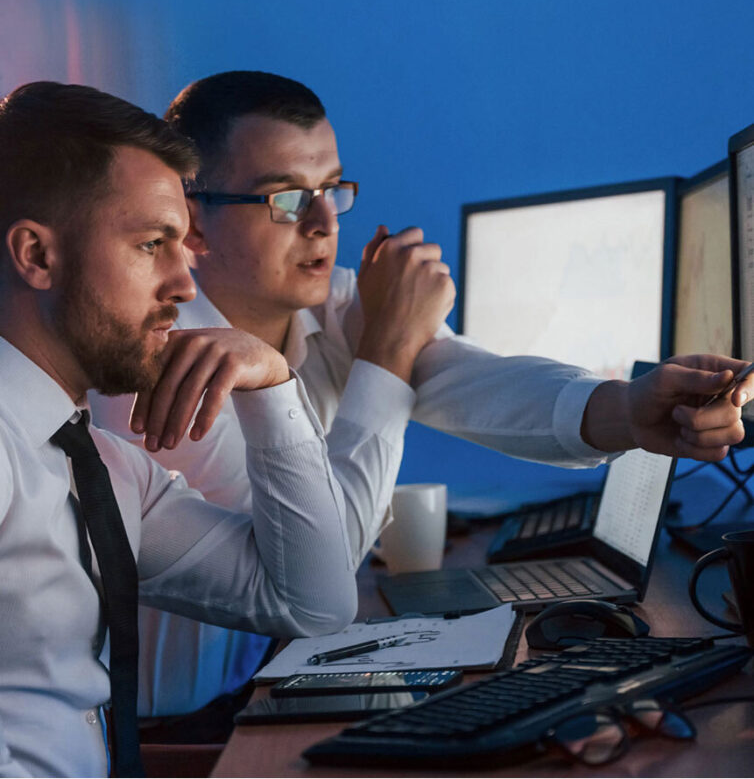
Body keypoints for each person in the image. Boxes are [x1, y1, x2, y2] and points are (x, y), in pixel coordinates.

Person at [92, 70, 750, 727]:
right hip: (178, 736)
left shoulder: (339, 303)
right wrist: (387, 348)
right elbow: (317, 577)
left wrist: (632, 409)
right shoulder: (164, 363)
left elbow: (474, 382)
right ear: (193, 221)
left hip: (261, 680)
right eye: (287, 199)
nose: (324, 223)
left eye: (332, 189)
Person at [0, 81, 363, 779]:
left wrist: (272, 390)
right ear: (37, 256)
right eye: (151, 244)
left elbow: (312, 603)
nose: (185, 285)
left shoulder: (103, 469)